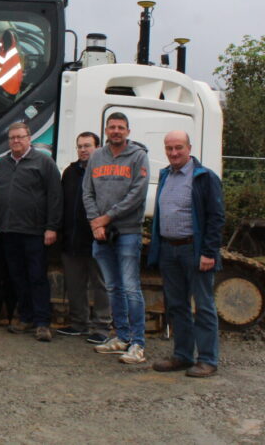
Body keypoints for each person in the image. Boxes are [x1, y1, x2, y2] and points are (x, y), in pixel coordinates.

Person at [147, 131, 224, 378]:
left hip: (194, 249)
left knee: (203, 305)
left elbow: (216, 217)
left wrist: (209, 252)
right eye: (169, 148)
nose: (174, 153)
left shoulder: (204, 178)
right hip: (170, 249)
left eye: (178, 147)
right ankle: (182, 356)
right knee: (177, 305)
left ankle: (208, 360)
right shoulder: (165, 175)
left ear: (189, 148)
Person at [82, 112, 150, 365]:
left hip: (128, 231)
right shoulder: (97, 156)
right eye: (112, 127)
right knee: (112, 287)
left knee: (131, 287)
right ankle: (121, 336)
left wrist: (106, 218)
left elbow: (137, 193)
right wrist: (95, 222)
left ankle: (138, 343)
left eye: (121, 128)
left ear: (128, 132)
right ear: (106, 130)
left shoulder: (138, 156)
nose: (116, 131)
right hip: (101, 233)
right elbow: (87, 191)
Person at [0, 122, 61, 342]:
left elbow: (55, 197)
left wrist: (52, 227)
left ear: (29, 138)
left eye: (20, 137)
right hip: (9, 230)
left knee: (37, 277)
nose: (16, 141)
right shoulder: (3, 164)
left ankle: (42, 322)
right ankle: (26, 316)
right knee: (17, 276)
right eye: (12, 138)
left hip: (35, 231)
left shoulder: (44, 162)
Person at [57, 131, 112, 344]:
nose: (83, 149)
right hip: (72, 238)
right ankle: (79, 323)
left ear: (97, 147)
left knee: (101, 284)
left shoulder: (104, 172)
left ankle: (102, 326)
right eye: (79, 146)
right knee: (74, 284)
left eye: (87, 145)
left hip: (97, 239)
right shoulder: (70, 172)